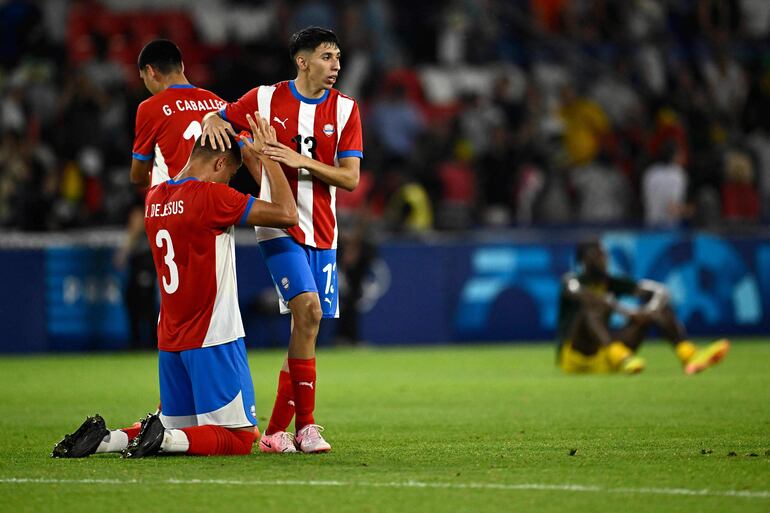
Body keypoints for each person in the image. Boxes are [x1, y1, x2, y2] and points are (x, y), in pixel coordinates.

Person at [52, 115, 297, 458]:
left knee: (176, 422)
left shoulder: (155, 198)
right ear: (219, 163)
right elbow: (287, 213)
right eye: (230, 174)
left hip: (171, 337)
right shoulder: (212, 197)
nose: (230, 181)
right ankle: (163, 442)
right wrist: (269, 158)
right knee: (241, 437)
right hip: (213, 333)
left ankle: (107, 439)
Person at [201, 26, 363, 453]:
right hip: (278, 223)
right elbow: (222, 115)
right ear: (303, 60)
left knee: (306, 326)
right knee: (307, 311)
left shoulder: (346, 109)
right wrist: (213, 120)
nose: (337, 66)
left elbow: (350, 178)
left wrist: (298, 160)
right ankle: (307, 426)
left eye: (339, 57)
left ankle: (274, 433)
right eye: (328, 57)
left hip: (323, 229)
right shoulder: (264, 98)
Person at [556, 240, 730, 375]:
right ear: (583, 261)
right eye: (595, 256)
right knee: (591, 309)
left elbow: (660, 291)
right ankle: (619, 356)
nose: (602, 260)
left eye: (603, 255)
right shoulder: (571, 280)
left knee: (660, 309)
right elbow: (581, 294)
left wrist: (649, 312)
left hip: (607, 358)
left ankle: (689, 355)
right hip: (575, 359)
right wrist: (626, 311)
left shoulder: (613, 281)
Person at [130, 39, 226, 187]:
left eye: (144, 79)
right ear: (182, 65)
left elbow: (137, 175)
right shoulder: (220, 104)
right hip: (217, 202)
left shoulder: (150, 108)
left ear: (150, 71)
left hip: (175, 204)